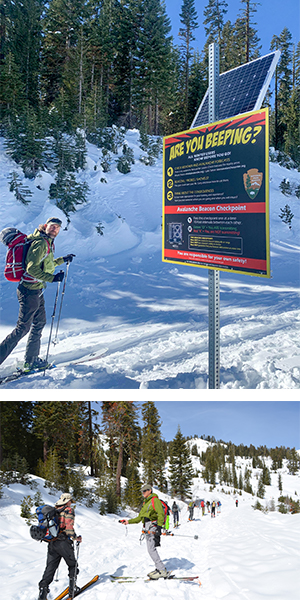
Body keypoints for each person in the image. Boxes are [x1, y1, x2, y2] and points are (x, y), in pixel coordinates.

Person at [0, 218, 75, 370]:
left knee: (39, 323)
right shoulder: (40, 243)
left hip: (36, 290)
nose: (55, 229)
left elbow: (46, 264)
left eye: (57, 228)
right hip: (29, 291)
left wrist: (62, 260)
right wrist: (52, 278)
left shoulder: (47, 242)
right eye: (52, 226)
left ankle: (31, 360)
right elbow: (31, 269)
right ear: (45, 226)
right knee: (22, 328)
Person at [38, 493, 82, 600]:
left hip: (52, 543)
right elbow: (69, 528)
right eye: (70, 501)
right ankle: (72, 590)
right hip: (64, 543)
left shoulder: (53, 510)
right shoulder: (68, 510)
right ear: (67, 501)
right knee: (72, 565)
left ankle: (43, 592)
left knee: (50, 568)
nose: (71, 503)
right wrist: (76, 538)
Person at [120, 484, 169, 580]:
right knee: (150, 549)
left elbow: (161, 514)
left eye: (145, 491)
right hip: (147, 526)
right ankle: (159, 568)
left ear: (150, 490)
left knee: (151, 549)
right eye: (142, 491)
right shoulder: (145, 503)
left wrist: (159, 527)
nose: (143, 493)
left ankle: (162, 570)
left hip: (153, 526)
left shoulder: (155, 500)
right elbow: (139, 518)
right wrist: (128, 521)